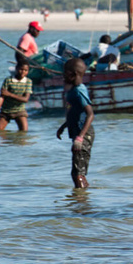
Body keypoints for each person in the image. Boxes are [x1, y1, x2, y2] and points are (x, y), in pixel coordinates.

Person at [56, 58, 95, 189]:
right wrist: (64, 126)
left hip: (83, 134)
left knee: (77, 173)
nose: (63, 76)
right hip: (78, 133)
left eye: (65, 73)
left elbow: (90, 114)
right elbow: (75, 112)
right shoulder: (73, 90)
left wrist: (80, 137)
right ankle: (82, 199)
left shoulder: (79, 91)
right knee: (78, 172)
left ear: (74, 74)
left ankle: (81, 203)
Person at [0, 59, 32, 131]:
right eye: (21, 69)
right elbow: (2, 97)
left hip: (20, 110)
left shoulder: (28, 82)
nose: (23, 72)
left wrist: (9, 94)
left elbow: (25, 99)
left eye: (25, 70)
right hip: (6, 111)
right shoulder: (8, 80)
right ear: (16, 69)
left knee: (24, 133)